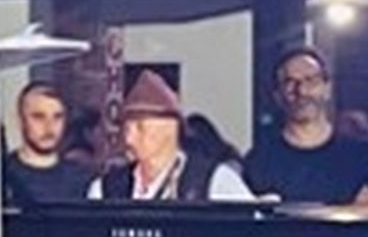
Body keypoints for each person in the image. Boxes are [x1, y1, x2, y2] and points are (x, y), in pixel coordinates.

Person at [244, 48, 368, 207]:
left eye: (310, 80)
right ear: (277, 96)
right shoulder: (260, 160)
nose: (301, 91)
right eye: (290, 82)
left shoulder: (361, 155)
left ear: (327, 89)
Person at [88, 70, 253, 201]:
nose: (129, 139)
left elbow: (252, 228)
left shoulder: (216, 183)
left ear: (169, 128)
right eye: (126, 129)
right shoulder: (105, 190)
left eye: (140, 128)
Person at [4, 82, 95, 207]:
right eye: (38, 117)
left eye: (57, 117)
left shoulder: (82, 180)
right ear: (21, 120)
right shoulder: (2, 176)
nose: (49, 126)